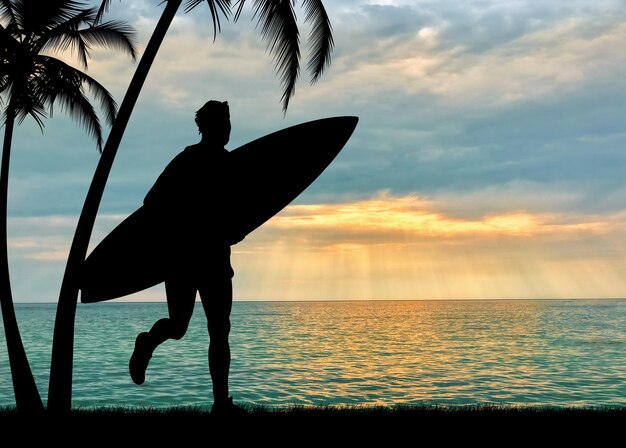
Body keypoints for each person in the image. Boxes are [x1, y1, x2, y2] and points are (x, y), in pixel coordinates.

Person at [128, 100, 244, 415]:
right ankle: (147, 343)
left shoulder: (228, 164)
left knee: (218, 329)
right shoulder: (188, 160)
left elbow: (241, 212)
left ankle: (221, 403)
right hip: (184, 259)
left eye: (230, 123)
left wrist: (237, 230)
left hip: (214, 259)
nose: (229, 129)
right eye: (225, 123)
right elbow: (152, 201)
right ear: (210, 127)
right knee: (182, 327)